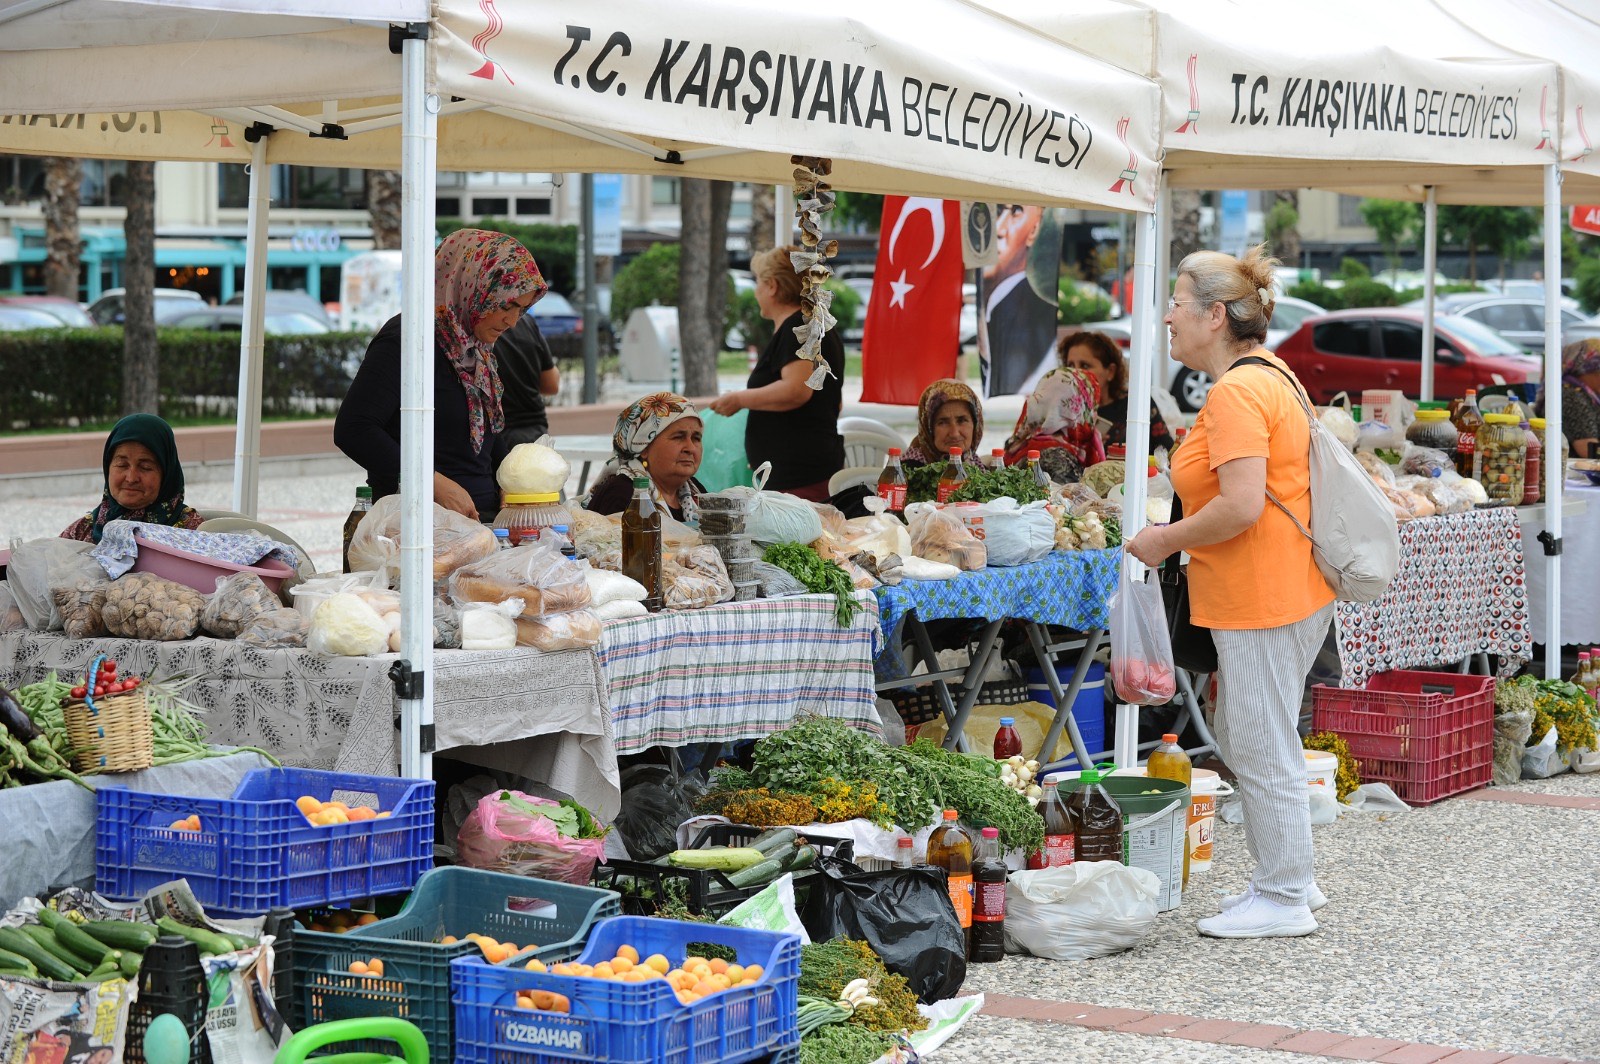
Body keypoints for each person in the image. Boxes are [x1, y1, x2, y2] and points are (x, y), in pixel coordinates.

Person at [1125, 244, 1334, 940]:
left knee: (1255, 743)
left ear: (1215, 316)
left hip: (1261, 594)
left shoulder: (1240, 390)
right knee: (1266, 738)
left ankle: (1281, 895)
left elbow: (1242, 504)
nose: (1167, 321)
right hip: (1281, 588)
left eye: (1177, 306)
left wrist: (1166, 538)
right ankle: (1293, 880)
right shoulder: (1269, 375)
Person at [334, 229, 548, 521]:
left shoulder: (476, 348)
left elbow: (487, 435)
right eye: (504, 305)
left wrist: (508, 483)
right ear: (468, 285)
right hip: (414, 526)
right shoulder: (407, 339)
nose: (511, 322)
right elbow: (354, 429)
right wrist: (430, 483)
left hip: (480, 524)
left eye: (521, 310)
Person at [708, 246, 844, 501]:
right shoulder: (811, 324)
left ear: (772, 286)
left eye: (758, 282)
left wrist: (740, 399)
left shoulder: (798, 326)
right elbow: (835, 401)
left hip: (799, 478)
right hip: (808, 471)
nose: (756, 290)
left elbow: (796, 390)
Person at [60, 413, 205, 543]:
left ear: (167, 474)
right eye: (122, 465)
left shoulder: (191, 533)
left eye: (145, 467)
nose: (131, 478)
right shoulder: (81, 532)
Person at [583, 393, 705, 525]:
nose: (690, 448)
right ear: (643, 447)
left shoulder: (694, 489)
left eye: (696, 438)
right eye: (678, 437)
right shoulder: (622, 494)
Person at [980, 204, 1061, 396]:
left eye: (1015, 212)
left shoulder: (1039, 321)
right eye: (996, 211)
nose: (998, 230)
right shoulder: (990, 312)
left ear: (1034, 229)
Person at [1060, 329, 1174, 453]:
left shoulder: (1137, 404)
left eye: (1085, 366)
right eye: (1070, 366)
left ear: (1110, 371)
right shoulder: (1062, 411)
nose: (1075, 373)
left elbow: (1167, 453)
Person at [1002, 367, 1106, 482]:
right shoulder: (1057, 458)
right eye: (1092, 407)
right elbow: (1074, 498)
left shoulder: (1021, 443)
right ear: (1078, 410)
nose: (1094, 414)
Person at [492, 311, 560, 466]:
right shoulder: (527, 322)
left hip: (498, 438)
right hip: (535, 433)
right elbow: (552, 384)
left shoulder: (477, 328)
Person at [902, 379, 984, 466]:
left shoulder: (977, 466)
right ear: (929, 429)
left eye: (962, 421)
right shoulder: (909, 473)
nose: (954, 434)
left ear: (975, 426)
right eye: (943, 423)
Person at [1554, 338, 1600, 460]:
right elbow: (1588, 449)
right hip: (1577, 471)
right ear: (1586, 370)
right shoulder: (1573, 397)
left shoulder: (1591, 394)